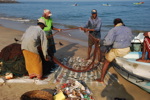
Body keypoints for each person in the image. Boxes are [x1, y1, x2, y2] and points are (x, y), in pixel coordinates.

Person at [96, 18, 134, 83]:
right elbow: (131, 39)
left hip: (118, 50)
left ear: (114, 24)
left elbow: (108, 43)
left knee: (106, 62)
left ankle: (101, 79)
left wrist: (101, 42)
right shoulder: (129, 29)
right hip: (127, 49)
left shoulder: (113, 30)